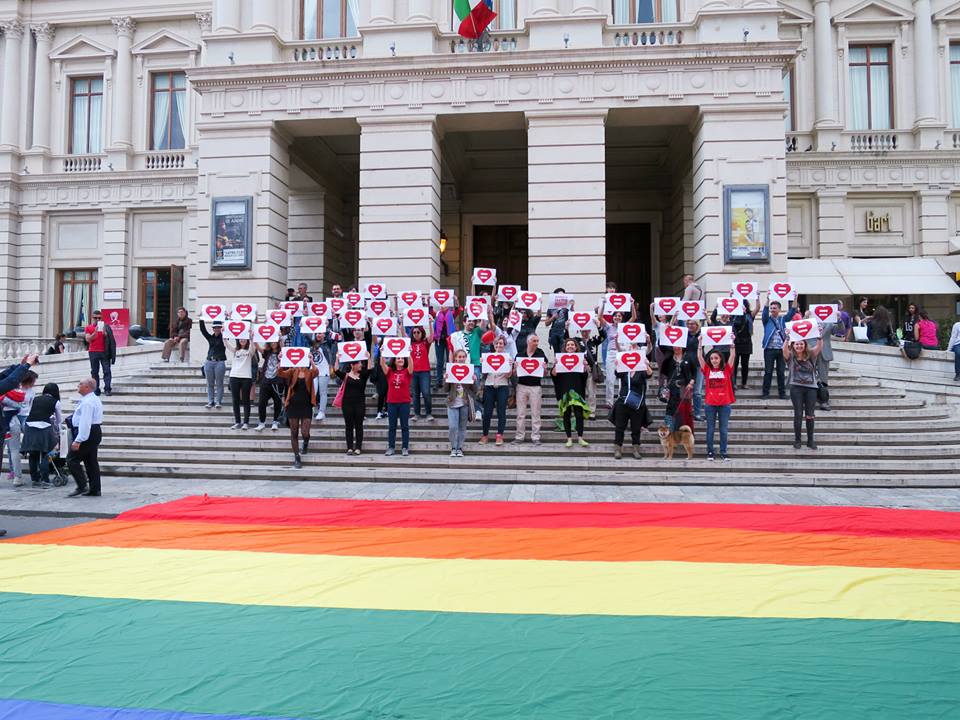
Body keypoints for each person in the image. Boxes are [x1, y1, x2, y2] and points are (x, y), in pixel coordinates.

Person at [699, 335, 736, 461]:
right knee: (710, 429)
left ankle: (723, 452)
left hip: (724, 404)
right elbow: (699, 357)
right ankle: (710, 452)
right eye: (712, 358)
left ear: (720, 359)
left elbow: (732, 357)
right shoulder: (707, 369)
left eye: (716, 358)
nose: (714, 360)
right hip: (710, 404)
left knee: (723, 430)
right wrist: (700, 344)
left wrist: (732, 344)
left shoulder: (727, 369)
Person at [66, 377, 104, 497]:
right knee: (90, 461)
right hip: (93, 431)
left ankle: (82, 485)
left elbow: (85, 422)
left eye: (81, 384)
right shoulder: (92, 399)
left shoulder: (88, 402)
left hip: (88, 432)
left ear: (87, 387)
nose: (78, 385)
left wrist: (78, 440)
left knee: (72, 459)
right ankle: (95, 488)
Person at [278, 358, 319, 469]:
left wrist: (312, 361)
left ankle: (305, 442)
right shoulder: (292, 371)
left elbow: (316, 372)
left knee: (305, 432)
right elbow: (280, 373)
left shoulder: (309, 372)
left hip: (306, 406)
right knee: (294, 432)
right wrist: (281, 360)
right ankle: (297, 457)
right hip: (293, 405)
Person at [612, 353, 654, 460]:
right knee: (620, 426)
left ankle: (636, 448)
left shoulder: (641, 371)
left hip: (637, 403)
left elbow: (649, 374)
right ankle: (618, 448)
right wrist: (617, 365)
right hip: (623, 401)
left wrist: (647, 365)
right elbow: (617, 374)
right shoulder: (624, 369)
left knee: (636, 427)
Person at [783, 337, 823, 450]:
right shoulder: (790, 357)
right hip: (796, 388)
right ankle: (797, 440)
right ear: (793, 345)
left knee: (810, 414)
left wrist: (819, 337)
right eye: (796, 344)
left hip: (811, 388)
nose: (799, 346)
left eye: (801, 344)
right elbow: (784, 351)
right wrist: (787, 339)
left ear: (805, 345)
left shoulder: (810, 355)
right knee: (798, 414)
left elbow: (819, 347)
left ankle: (810, 440)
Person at [552, 338, 591, 448]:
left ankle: (580, 438)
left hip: (577, 392)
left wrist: (585, 366)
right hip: (564, 392)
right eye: (568, 345)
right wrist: (555, 365)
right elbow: (554, 375)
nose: (570, 346)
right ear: (565, 347)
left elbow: (585, 376)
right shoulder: (560, 359)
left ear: (576, 347)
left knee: (579, 415)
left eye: (572, 345)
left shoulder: (580, 359)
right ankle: (569, 438)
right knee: (566, 415)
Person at [334, 349, 375, 455]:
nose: (361, 365)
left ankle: (358, 447)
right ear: (353, 365)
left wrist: (369, 357)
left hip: (360, 404)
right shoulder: (346, 375)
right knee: (349, 426)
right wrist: (337, 358)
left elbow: (370, 369)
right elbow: (336, 371)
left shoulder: (363, 375)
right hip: (347, 404)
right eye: (359, 363)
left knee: (359, 426)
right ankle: (349, 447)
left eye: (361, 363)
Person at [21, 383, 62, 487]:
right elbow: (58, 420)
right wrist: (58, 432)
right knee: (44, 454)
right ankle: (45, 479)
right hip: (44, 427)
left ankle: (34, 479)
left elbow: (29, 412)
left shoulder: (35, 398)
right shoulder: (56, 402)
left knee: (33, 454)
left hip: (30, 427)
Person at [3, 370, 38, 487]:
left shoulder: (8, 391)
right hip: (12, 422)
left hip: (7, 421)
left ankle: (16, 475)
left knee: (12, 450)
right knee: (14, 450)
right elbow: (19, 405)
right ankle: (17, 477)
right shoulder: (15, 392)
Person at [512, 333, 548, 445]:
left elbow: (545, 373)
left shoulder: (541, 354)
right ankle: (519, 436)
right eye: (534, 341)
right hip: (522, 386)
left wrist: (545, 369)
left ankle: (536, 437)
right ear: (528, 342)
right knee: (520, 413)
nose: (536, 343)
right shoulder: (520, 355)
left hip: (536, 387)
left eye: (537, 341)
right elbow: (514, 373)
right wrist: (515, 368)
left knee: (536, 413)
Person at [445, 348, 480, 457]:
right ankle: (453, 447)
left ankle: (459, 448)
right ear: (455, 358)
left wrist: (474, 380)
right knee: (452, 427)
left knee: (462, 427)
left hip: (464, 403)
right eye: (459, 357)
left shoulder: (470, 370)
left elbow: (475, 390)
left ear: (466, 358)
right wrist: (445, 379)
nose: (461, 359)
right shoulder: (450, 370)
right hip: (452, 403)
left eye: (463, 357)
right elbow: (445, 389)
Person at [480, 335, 512, 445]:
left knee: (501, 412)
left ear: (504, 345)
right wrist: (482, 364)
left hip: (502, 386)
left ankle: (499, 436)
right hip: (489, 386)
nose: (499, 345)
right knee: (487, 412)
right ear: (494, 345)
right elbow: (484, 373)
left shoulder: (508, 358)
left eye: (501, 343)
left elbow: (508, 375)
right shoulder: (488, 357)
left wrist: (510, 366)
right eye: (497, 343)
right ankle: (485, 435)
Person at [382, 350, 414, 457]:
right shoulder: (390, 371)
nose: (400, 360)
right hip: (392, 402)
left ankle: (405, 447)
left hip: (404, 402)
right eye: (398, 358)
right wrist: (382, 353)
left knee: (405, 426)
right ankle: (391, 447)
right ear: (394, 361)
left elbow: (411, 365)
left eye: (401, 358)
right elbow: (383, 365)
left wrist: (408, 354)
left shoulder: (407, 372)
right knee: (392, 426)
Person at [660, 344, 695, 432]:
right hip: (672, 390)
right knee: (670, 411)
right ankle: (670, 433)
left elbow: (694, 372)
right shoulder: (668, 359)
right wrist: (664, 385)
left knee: (684, 411)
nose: (677, 348)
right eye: (674, 346)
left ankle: (684, 434)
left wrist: (691, 382)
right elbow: (663, 374)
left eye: (679, 345)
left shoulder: (688, 358)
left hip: (684, 389)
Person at [225, 337, 257, 430]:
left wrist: (251, 338)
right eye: (240, 339)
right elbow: (226, 345)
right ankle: (237, 422)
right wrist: (224, 335)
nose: (242, 340)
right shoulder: (235, 350)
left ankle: (246, 422)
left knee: (246, 400)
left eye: (244, 339)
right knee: (235, 400)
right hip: (234, 376)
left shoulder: (249, 352)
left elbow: (253, 347)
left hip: (246, 377)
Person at [406, 325, 435, 422]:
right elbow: (403, 335)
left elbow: (432, 336)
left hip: (424, 372)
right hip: (413, 372)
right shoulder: (410, 343)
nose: (416, 334)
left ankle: (428, 413)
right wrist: (401, 323)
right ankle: (417, 414)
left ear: (422, 333)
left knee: (426, 393)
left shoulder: (425, 342)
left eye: (418, 332)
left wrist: (431, 323)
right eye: (414, 332)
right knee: (415, 394)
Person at [761, 299, 788, 399]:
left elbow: (792, 311)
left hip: (781, 350)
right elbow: (764, 311)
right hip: (769, 349)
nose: (772, 310)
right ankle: (765, 393)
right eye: (771, 308)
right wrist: (767, 299)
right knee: (768, 372)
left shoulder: (783, 319)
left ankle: (782, 393)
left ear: (779, 309)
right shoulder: (767, 320)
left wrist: (795, 298)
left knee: (781, 372)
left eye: (774, 308)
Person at [84, 309, 116, 396]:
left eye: (99, 318)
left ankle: (107, 389)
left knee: (107, 371)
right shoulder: (88, 327)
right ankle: (96, 389)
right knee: (94, 372)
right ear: (92, 318)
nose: (98, 320)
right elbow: (88, 339)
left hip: (104, 352)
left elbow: (110, 340)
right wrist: (95, 332)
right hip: (93, 352)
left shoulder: (105, 327)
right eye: (95, 318)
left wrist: (105, 334)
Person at [255, 341, 285, 431]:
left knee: (277, 402)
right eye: (271, 342)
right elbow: (259, 348)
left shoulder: (282, 353)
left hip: (278, 381)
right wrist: (253, 338)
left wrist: (280, 337)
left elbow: (283, 348)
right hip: (266, 381)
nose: (273, 343)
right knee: (261, 402)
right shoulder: (267, 352)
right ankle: (262, 422)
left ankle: (275, 421)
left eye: (275, 341)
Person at [200, 319, 227, 409]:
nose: (217, 329)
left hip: (219, 362)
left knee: (219, 383)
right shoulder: (210, 338)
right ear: (213, 329)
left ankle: (218, 401)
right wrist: (201, 319)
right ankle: (210, 401)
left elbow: (229, 331)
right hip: (209, 362)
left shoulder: (224, 337)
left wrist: (227, 319)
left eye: (218, 327)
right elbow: (203, 330)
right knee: (210, 383)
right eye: (215, 328)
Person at [731, 299, 758, 388]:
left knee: (745, 364)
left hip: (746, 342)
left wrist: (757, 298)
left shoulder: (749, 315)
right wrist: (732, 297)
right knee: (734, 364)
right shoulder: (733, 315)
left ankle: (744, 383)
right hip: (736, 342)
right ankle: (733, 383)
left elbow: (757, 308)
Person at [433, 303, 457, 389]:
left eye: (445, 304)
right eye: (441, 304)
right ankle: (438, 381)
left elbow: (457, 310)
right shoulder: (437, 314)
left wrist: (455, 300)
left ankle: (449, 380)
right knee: (439, 362)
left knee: (449, 360)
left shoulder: (451, 313)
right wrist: (428, 302)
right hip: (439, 340)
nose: (443, 306)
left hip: (449, 340)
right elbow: (429, 311)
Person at [544, 288, 571, 354]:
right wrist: (553, 317)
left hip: (563, 331)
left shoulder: (567, 307)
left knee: (564, 351)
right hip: (554, 331)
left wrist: (572, 306)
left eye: (563, 295)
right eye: (560, 295)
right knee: (556, 352)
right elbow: (546, 323)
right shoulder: (551, 308)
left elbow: (573, 316)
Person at [311, 339, 330, 420]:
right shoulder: (311, 344)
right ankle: (311, 410)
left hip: (324, 371)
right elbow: (305, 335)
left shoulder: (327, 343)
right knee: (313, 391)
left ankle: (321, 411)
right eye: (317, 333)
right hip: (313, 370)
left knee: (323, 392)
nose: (318, 335)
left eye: (320, 333)